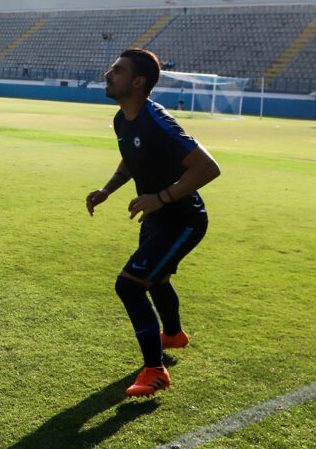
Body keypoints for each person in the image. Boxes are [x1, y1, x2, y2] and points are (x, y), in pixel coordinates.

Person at [85, 49, 221, 397]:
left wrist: (159, 198)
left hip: (183, 219)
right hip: (157, 217)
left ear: (138, 81)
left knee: (130, 285)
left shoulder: (158, 121)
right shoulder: (122, 119)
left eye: (117, 70)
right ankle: (173, 335)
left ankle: (155, 370)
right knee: (156, 279)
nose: (108, 74)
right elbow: (131, 160)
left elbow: (208, 168)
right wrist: (107, 190)